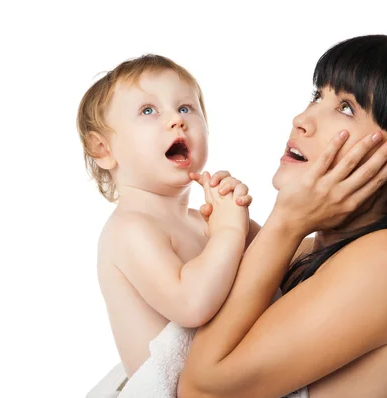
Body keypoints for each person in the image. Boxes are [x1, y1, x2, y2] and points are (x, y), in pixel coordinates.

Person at [178, 34, 387, 398]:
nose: (302, 120)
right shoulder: (307, 253)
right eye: (318, 95)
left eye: (347, 108)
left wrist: (287, 219)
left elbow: (202, 392)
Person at [76, 54, 258, 380]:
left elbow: (282, 264)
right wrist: (230, 231)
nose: (176, 119)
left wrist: (240, 217)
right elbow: (191, 304)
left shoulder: (204, 219)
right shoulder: (128, 229)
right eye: (148, 111)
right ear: (103, 149)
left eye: (186, 108)